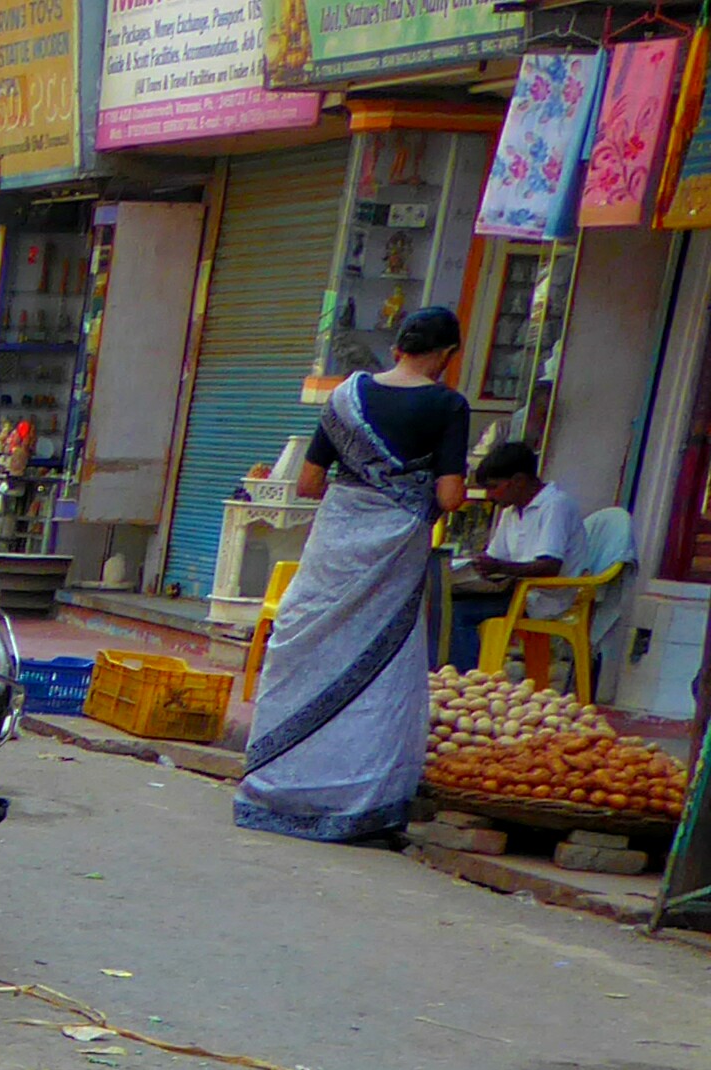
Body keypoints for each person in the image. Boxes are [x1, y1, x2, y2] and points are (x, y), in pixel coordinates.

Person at [236, 305, 470, 846]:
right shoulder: (448, 405)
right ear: (446, 355)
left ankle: (278, 790)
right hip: (394, 554)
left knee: (307, 651)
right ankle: (358, 804)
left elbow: (309, 485)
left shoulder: (346, 396)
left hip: (334, 547)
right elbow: (450, 496)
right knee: (382, 669)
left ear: (398, 348)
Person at [451, 439, 584, 679]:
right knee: (444, 602)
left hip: (544, 597)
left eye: (494, 487)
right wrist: (477, 567)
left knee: (459, 614)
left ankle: (469, 680)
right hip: (516, 591)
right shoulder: (511, 511)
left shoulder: (556, 506)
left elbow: (550, 566)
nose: (490, 495)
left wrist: (500, 567)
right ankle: (456, 675)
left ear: (519, 481)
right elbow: (495, 557)